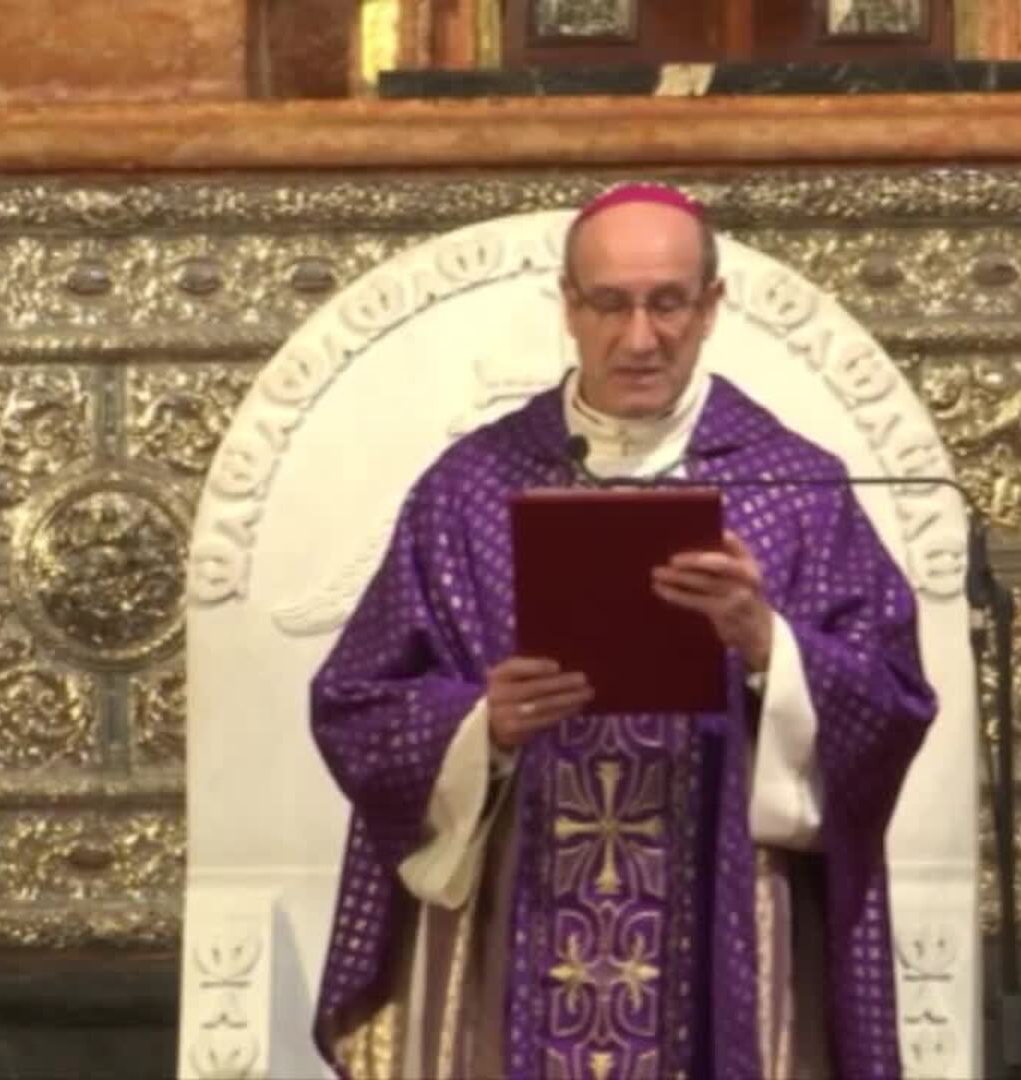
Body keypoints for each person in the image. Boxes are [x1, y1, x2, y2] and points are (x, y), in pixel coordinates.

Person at [309, 183, 936, 1078]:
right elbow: (357, 706)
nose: (640, 337)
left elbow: (896, 703)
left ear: (711, 307)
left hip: (727, 919)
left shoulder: (798, 488)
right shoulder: (470, 485)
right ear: (568, 306)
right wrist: (480, 725)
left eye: (668, 302)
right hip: (516, 924)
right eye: (609, 303)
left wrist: (771, 647)